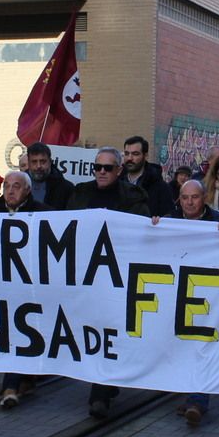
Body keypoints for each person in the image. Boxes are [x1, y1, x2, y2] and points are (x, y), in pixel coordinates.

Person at [68, 146, 150, 417]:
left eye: (107, 168)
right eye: (97, 167)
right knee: (93, 330)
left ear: (119, 170)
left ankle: (101, 391)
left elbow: (140, 232)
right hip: (86, 275)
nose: (101, 172)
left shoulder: (134, 197)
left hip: (117, 275)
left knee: (109, 331)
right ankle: (105, 384)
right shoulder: (80, 194)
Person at [156, 179, 219, 426]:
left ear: (204, 198)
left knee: (200, 346)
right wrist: (154, 227)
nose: (189, 202)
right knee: (180, 345)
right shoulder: (170, 221)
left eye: (194, 197)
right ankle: (189, 395)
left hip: (207, 296)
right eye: (184, 197)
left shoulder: (218, 221)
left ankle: (198, 400)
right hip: (176, 294)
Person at [0, 171, 52, 408]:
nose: (10, 190)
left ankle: (11, 386)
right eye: (7, 185)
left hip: (30, 287)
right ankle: (23, 379)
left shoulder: (45, 214)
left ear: (28, 190)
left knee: (19, 331)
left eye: (16, 186)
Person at [121, 135, 173, 217]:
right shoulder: (116, 182)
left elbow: (168, 215)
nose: (129, 158)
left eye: (135, 154)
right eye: (126, 154)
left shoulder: (160, 187)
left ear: (145, 156)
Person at [25, 141, 74, 210]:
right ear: (28, 163)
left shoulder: (66, 188)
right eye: (34, 162)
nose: (38, 166)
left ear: (50, 161)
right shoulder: (17, 186)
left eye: (43, 161)